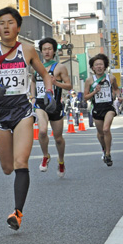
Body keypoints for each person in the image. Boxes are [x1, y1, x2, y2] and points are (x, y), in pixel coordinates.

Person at [0, 7, 56, 232]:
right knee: (7, 168)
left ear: (18, 27)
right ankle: (16, 206)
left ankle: (17, 213)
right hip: (0, 114)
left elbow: (45, 74)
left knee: (21, 162)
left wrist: (48, 93)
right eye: (1, 23)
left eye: (10, 22)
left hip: (22, 111)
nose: (6, 26)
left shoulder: (27, 50)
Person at [30, 37, 72, 178]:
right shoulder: (36, 67)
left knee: (58, 138)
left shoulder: (60, 67)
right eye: (44, 49)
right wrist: (32, 96)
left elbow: (69, 85)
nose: (46, 51)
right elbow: (33, 81)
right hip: (40, 104)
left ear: (54, 51)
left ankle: (61, 161)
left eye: (49, 49)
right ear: (40, 51)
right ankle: (45, 155)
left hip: (55, 104)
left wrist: (56, 83)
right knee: (42, 131)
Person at [84, 54, 120, 167]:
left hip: (109, 107)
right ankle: (104, 149)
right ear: (93, 68)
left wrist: (119, 97)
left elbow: (116, 89)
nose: (99, 67)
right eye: (96, 65)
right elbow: (85, 97)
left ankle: (108, 154)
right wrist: (94, 92)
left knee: (105, 130)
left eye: (101, 64)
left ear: (105, 66)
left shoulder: (111, 78)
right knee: (100, 134)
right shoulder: (89, 80)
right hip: (97, 108)